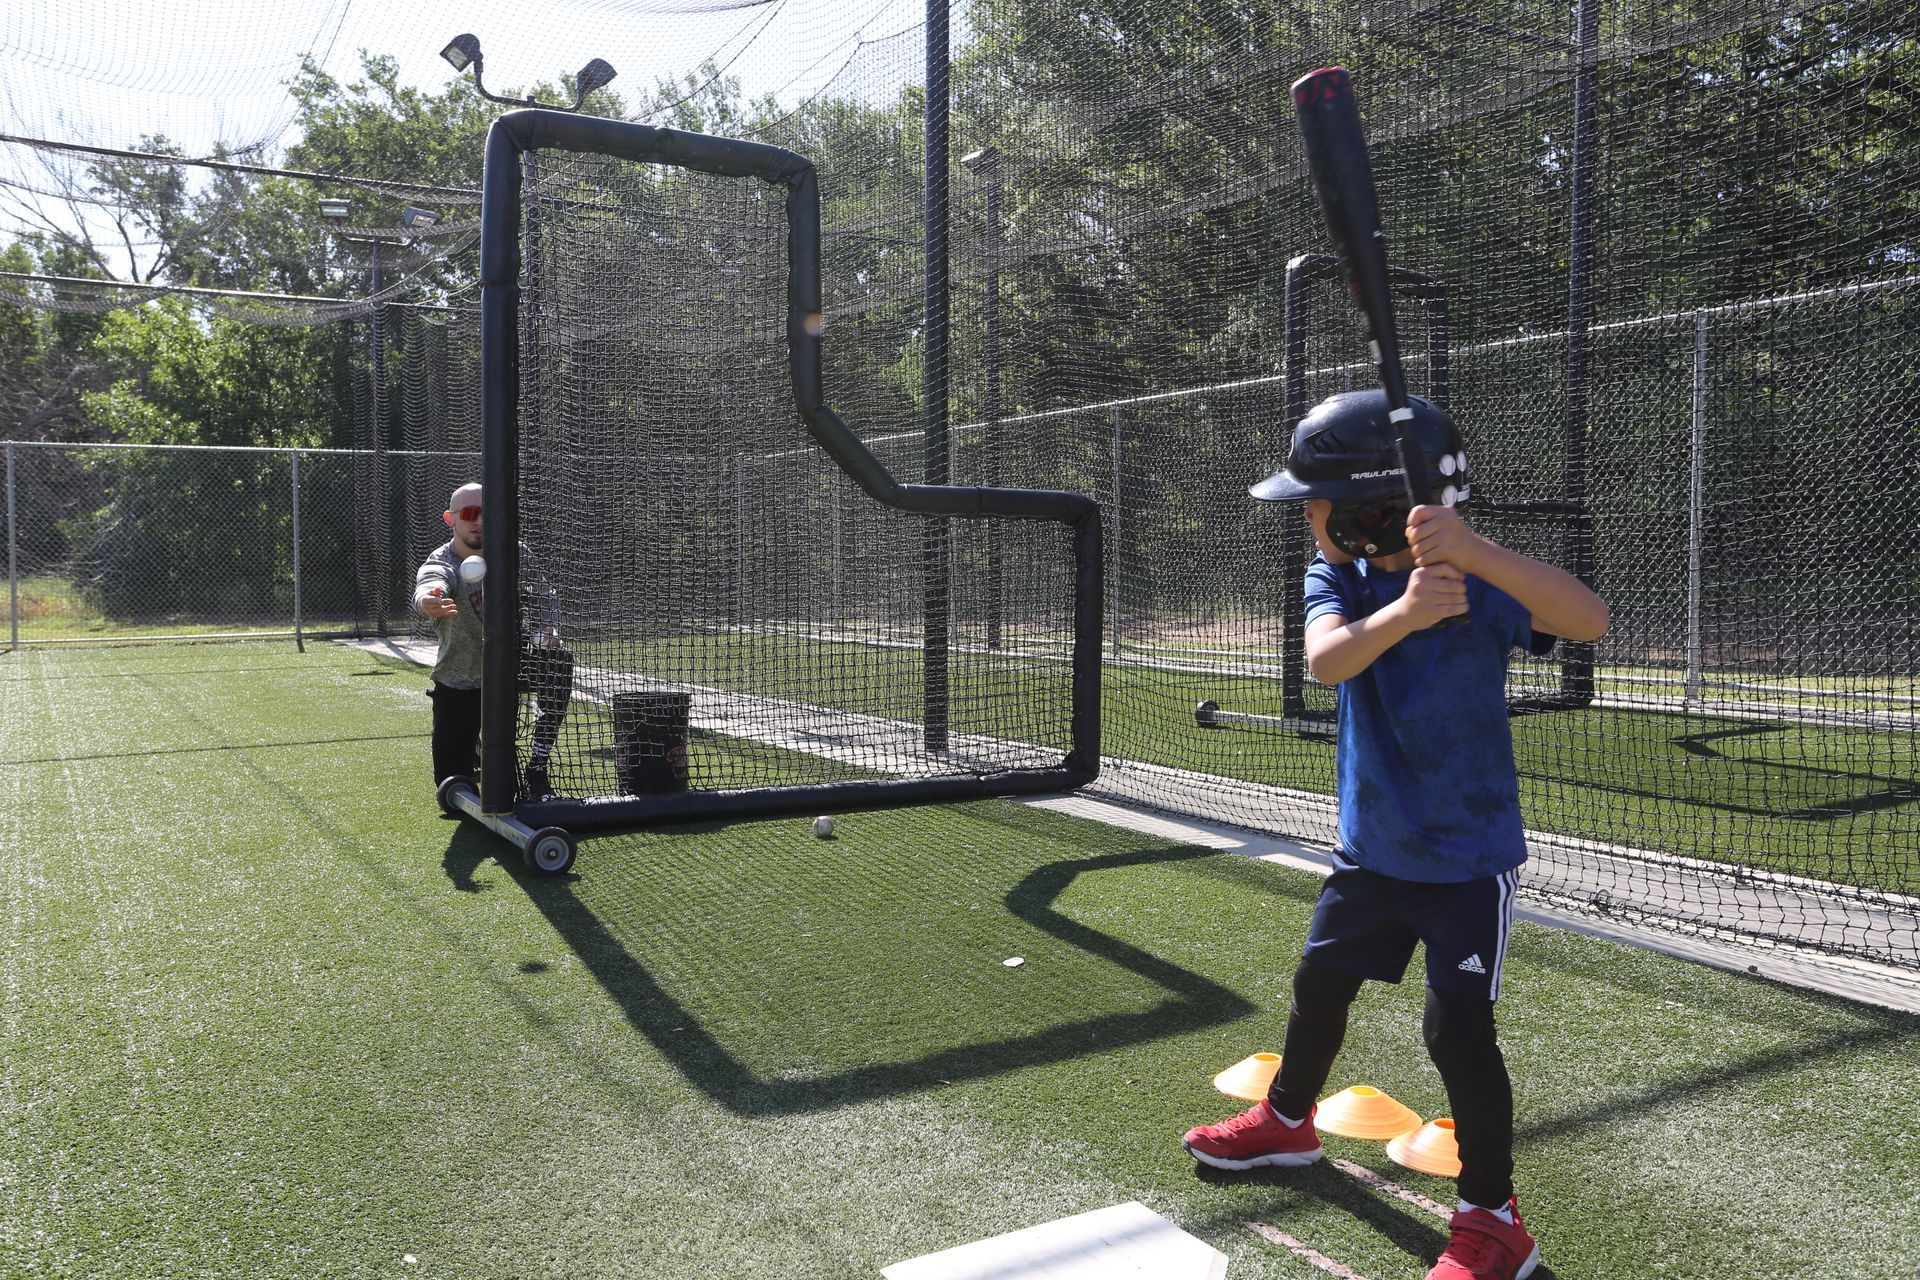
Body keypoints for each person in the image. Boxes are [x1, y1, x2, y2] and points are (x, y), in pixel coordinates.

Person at [1180, 390, 1608, 1280]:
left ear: (1377, 512)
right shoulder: (1337, 580)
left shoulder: (1480, 584)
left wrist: (1474, 553)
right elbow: (1328, 660)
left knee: (1457, 1035)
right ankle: (1289, 1122)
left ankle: (1493, 1219)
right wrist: (1407, 611)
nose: (1308, 518)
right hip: (1370, 848)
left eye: (1320, 503)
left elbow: (1588, 619)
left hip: (1465, 862)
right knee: (1319, 985)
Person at [413, 481, 575, 802]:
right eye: (471, 513)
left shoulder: (514, 552)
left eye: (488, 513)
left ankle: (537, 767)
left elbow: (546, 596)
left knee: (559, 660)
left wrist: (548, 627)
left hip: (510, 673)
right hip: (461, 681)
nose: (480, 521)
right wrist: (428, 600)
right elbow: (430, 581)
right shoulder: (443, 561)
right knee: (454, 789)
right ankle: (471, 745)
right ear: (451, 519)